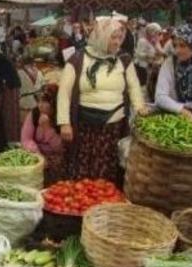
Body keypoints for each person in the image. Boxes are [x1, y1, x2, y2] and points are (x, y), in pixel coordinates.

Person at [57, 17, 146, 183]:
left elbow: (134, 86)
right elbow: (64, 92)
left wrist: (139, 107)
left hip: (113, 124)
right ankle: (83, 198)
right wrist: (64, 122)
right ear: (101, 37)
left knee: (107, 166)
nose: (117, 42)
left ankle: (104, 201)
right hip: (84, 124)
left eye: (120, 37)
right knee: (82, 164)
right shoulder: (78, 59)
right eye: (113, 37)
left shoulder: (124, 60)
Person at [21, 88, 64, 184]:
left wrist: (47, 128)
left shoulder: (61, 117)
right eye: (39, 101)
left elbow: (60, 147)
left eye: (45, 102)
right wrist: (38, 156)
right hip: (36, 152)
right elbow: (26, 139)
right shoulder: (34, 114)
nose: (40, 105)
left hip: (56, 156)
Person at [134, 23, 164, 88]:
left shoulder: (155, 41)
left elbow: (161, 52)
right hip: (142, 67)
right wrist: (149, 55)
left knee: (149, 85)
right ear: (151, 32)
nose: (157, 35)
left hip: (151, 67)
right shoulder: (142, 41)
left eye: (158, 33)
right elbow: (138, 54)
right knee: (142, 86)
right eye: (156, 32)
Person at [17, 57, 45, 124]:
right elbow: (41, 89)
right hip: (34, 104)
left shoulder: (18, 73)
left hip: (22, 105)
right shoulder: (39, 73)